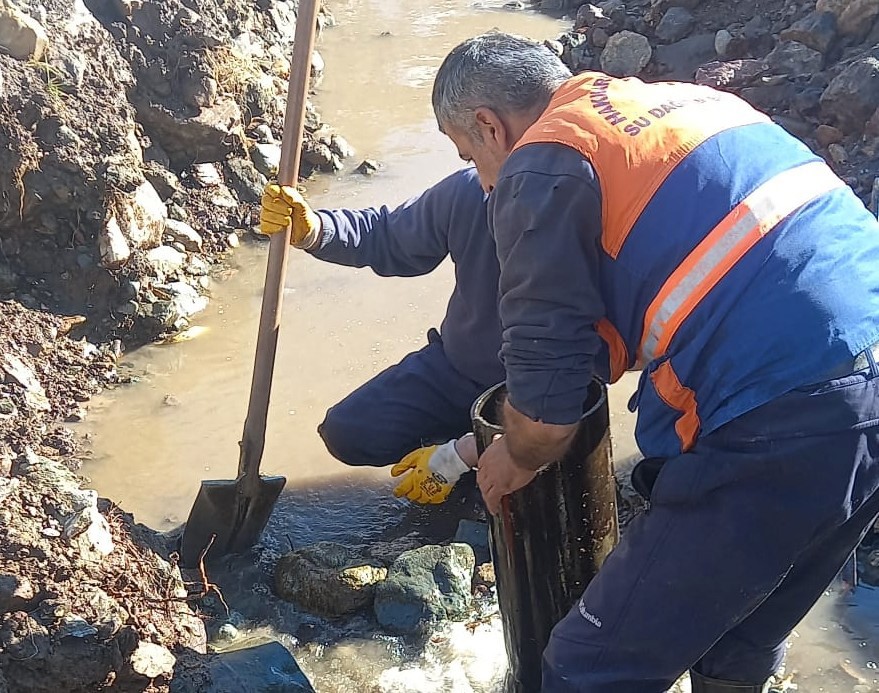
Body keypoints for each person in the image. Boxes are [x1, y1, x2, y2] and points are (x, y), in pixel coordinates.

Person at [431, 31, 879, 693]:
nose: (483, 182)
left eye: (471, 157)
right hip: (860, 391)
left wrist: (512, 454)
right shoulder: (680, 106)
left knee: (587, 664)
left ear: (488, 126)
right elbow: (609, 327)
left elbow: (548, 411)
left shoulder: (540, 162)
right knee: (737, 636)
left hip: (777, 411)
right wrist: (473, 444)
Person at [259, 168, 504, 504]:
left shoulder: (569, 207)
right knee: (348, 431)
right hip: (460, 369)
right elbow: (389, 233)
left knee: (535, 482)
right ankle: (462, 464)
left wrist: (460, 455)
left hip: (537, 393)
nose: (471, 163)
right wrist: (315, 230)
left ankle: (479, 458)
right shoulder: (473, 188)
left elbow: (573, 374)